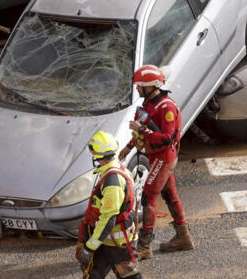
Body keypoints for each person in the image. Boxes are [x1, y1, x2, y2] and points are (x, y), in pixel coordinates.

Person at [118, 65, 193, 259]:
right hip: (156, 156)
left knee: (148, 198)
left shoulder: (166, 107)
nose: (137, 89)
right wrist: (129, 147)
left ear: (150, 86)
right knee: (170, 195)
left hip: (164, 157)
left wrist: (142, 131)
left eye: (139, 86)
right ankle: (183, 237)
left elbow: (166, 138)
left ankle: (144, 247)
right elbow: (140, 128)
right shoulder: (147, 104)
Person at [76, 131, 141, 279]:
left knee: (129, 275)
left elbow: (108, 219)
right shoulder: (115, 169)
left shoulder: (113, 181)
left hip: (117, 242)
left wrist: (89, 247)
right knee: (94, 274)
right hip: (105, 239)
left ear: (98, 155)